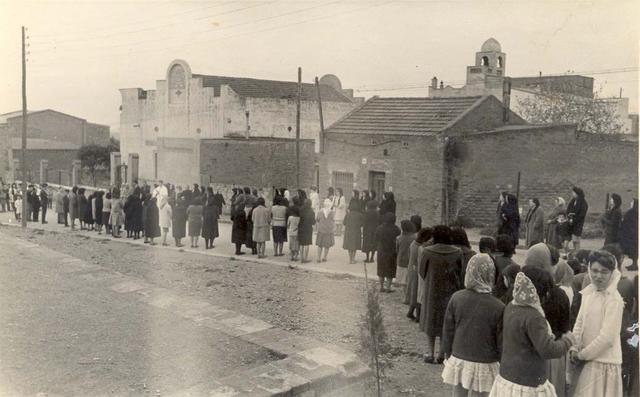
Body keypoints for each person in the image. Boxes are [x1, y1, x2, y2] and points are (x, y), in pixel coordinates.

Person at [490, 267, 575, 397]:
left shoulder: (511, 306)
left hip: (508, 376)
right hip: (528, 381)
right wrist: (567, 341)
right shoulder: (535, 317)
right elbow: (547, 350)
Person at [442, 254, 504, 397]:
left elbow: (448, 330)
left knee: (458, 392)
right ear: (491, 274)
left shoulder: (457, 298)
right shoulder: (499, 306)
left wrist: (448, 352)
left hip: (460, 354)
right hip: (486, 360)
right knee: (481, 393)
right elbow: (501, 340)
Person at [570, 250, 624, 397]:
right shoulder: (589, 293)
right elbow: (579, 323)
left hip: (603, 363)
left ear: (612, 273)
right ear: (589, 269)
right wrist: (574, 347)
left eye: (604, 272)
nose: (598, 276)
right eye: (594, 270)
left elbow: (606, 338)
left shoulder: (614, 300)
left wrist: (582, 355)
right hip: (587, 360)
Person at [523, 243, 572, 397]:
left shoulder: (517, 291)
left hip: (522, 354)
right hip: (551, 357)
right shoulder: (558, 294)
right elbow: (565, 329)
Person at [419, 225, 464, 364]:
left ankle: (430, 353)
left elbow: (422, 272)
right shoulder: (457, 252)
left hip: (432, 290)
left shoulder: (427, 251)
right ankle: (442, 354)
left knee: (430, 320)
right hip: (450, 291)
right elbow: (461, 272)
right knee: (447, 321)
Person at [407, 228, 431, 321]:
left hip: (412, 270)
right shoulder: (421, 248)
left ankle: (410, 312)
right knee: (419, 294)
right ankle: (418, 316)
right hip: (418, 272)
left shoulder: (413, 244)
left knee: (414, 293)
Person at [375, 212, 401, 292]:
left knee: (381, 268)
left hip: (381, 251)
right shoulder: (396, 229)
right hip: (392, 251)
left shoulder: (379, 228)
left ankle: (381, 286)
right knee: (390, 269)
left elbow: (376, 238)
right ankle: (388, 287)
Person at [396, 220, 416, 294]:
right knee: (409, 279)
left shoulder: (399, 238)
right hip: (411, 260)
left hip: (401, 260)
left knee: (403, 280)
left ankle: (405, 295)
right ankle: (409, 294)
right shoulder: (414, 237)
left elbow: (397, 250)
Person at [567, 186, 588, 251]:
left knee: (576, 239)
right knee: (574, 239)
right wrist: (570, 215)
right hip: (571, 223)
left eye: (573, 193)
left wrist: (574, 219)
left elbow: (582, 215)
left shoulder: (583, 203)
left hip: (578, 223)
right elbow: (568, 209)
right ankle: (575, 252)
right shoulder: (573, 201)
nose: (572, 194)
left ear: (577, 193)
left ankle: (577, 253)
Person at [343, 199, 364, 264]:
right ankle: (353, 259)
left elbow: (344, 223)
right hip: (356, 232)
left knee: (349, 246)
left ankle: (350, 259)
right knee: (354, 246)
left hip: (348, 231)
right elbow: (362, 224)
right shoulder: (360, 215)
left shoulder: (348, 214)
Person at [619, 199, 638, 271]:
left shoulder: (631, 212)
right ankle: (634, 264)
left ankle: (634, 265)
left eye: (632, 202)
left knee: (632, 249)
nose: (630, 203)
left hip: (630, 234)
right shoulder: (636, 212)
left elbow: (626, 222)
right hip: (634, 233)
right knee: (635, 250)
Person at [316, 198, 335, 263]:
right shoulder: (332, 212)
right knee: (327, 245)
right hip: (329, 231)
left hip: (321, 230)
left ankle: (318, 258)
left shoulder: (320, 211)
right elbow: (333, 220)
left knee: (320, 244)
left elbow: (317, 219)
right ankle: (324, 257)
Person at [298, 198, 315, 263]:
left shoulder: (300, 210)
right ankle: (305, 258)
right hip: (308, 228)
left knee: (301, 243)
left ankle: (301, 258)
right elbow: (313, 222)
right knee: (307, 243)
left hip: (301, 227)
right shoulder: (311, 211)